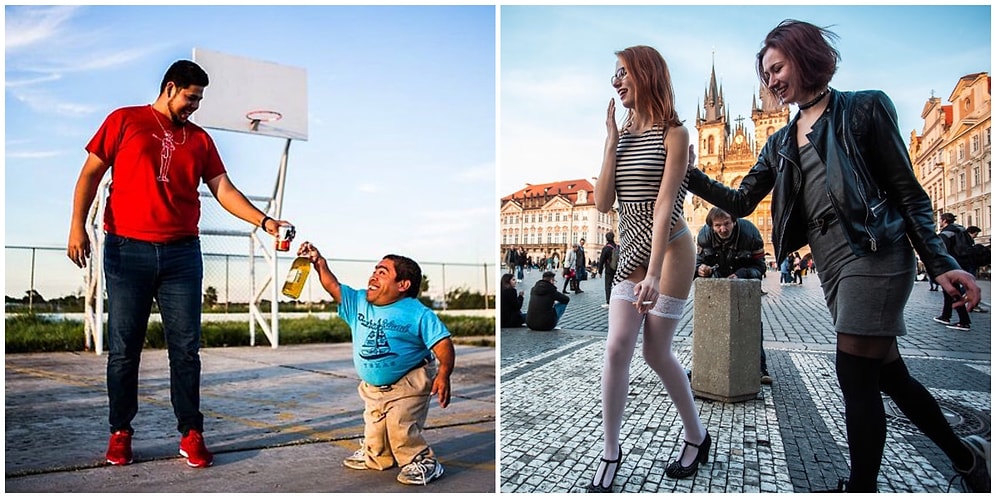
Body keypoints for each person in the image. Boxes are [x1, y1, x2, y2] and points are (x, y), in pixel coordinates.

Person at [683, 20, 986, 493]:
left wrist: (943, 262)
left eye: (777, 68)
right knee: (889, 375)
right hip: (831, 262)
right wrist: (688, 172)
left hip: (875, 251)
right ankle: (968, 458)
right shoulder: (780, 141)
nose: (773, 81)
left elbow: (908, 194)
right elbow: (740, 202)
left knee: (852, 372)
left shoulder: (864, 108)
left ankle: (860, 486)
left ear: (807, 57)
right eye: (767, 75)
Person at [66, 60, 294, 469]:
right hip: (126, 250)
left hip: (181, 255)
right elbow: (89, 176)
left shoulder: (200, 139)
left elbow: (223, 188)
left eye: (200, 99)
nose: (195, 106)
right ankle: (121, 431)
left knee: (186, 351)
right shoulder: (124, 121)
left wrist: (264, 220)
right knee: (124, 351)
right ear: (171, 88)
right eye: (192, 98)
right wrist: (77, 227)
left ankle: (191, 432)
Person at [585, 45, 708, 493]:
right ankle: (611, 452)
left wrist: (653, 274)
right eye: (613, 74)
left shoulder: (674, 133)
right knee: (617, 347)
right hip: (630, 249)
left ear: (646, 73)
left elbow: (662, 207)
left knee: (656, 353)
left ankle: (697, 436)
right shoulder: (624, 133)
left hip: (670, 249)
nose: (615, 81)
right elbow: (602, 203)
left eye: (622, 72)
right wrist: (610, 142)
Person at [296, 242, 453, 486]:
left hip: (410, 379)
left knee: (400, 425)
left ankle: (421, 460)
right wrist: (319, 262)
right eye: (375, 269)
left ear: (403, 285)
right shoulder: (358, 302)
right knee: (375, 431)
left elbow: (443, 344)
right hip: (373, 387)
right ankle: (376, 454)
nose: (374, 275)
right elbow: (332, 285)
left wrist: (444, 373)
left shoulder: (417, 313)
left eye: (383, 272)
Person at [694, 207, 773, 384]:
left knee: (750, 324)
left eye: (727, 223)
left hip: (744, 285)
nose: (723, 229)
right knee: (711, 323)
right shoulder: (704, 236)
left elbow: (760, 268)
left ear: (734, 221)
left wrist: (742, 274)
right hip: (718, 284)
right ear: (712, 226)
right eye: (718, 225)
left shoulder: (750, 233)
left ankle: (760, 368)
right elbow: (697, 263)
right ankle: (706, 365)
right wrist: (700, 269)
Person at [934, 213, 974, 330]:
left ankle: (964, 321)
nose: (939, 222)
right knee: (949, 291)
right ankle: (946, 315)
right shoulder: (961, 230)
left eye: (940, 220)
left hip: (951, 265)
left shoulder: (946, 233)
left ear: (945, 220)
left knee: (952, 291)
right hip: (963, 263)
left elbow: (941, 251)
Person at [597, 232, 620, 307]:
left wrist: (600, 271)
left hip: (609, 269)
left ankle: (609, 302)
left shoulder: (606, 248)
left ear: (606, 238)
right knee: (616, 285)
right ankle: (617, 300)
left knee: (608, 285)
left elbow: (602, 260)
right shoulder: (617, 247)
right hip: (617, 269)